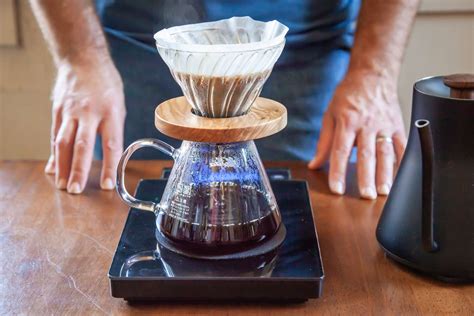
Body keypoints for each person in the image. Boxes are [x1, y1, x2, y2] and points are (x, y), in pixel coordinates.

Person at [30, 0, 419, 198]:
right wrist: (80, 57)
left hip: (308, 60)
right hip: (136, 56)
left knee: (329, 216)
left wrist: (374, 71)